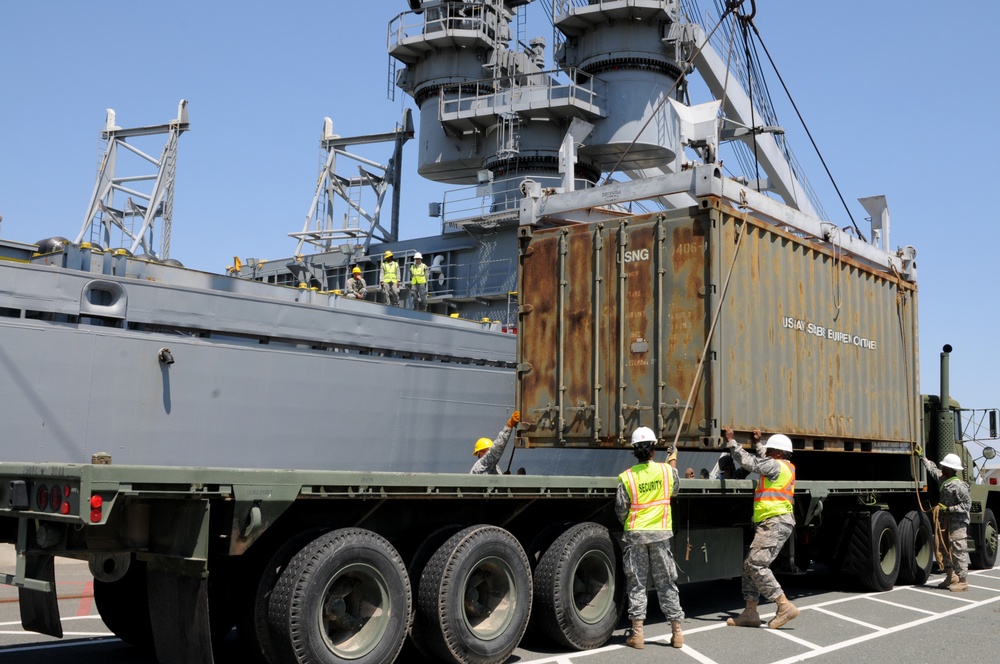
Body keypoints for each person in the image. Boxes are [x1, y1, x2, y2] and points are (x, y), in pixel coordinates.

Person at [723, 426, 799, 629]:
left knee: (756, 564)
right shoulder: (782, 465)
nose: (768, 452)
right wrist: (758, 443)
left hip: (775, 521)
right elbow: (763, 458)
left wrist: (732, 442)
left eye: (771, 450)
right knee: (749, 565)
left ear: (779, 453)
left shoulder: (775, 466)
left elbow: (750, 462)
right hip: (772, 521)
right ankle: (750, 612)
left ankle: (784, 605)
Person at [616, 426, 684, 650]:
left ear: (635, 451)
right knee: (666, 584)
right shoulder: (666, 471)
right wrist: (672, 459)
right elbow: (675, 489)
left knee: (637, 585)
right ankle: (677, 634)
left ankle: (637, 635)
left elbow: (621, 509)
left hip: (635, 535)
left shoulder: (627, 477)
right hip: (661, 534)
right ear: (654, 449)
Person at [923, 452, 971, 592]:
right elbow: (933, 470)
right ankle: (951, 576)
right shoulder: (944, 480)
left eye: (944, 466)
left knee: (957, 550)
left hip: (958, 523)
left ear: (950, 469)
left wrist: (949, 509)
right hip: (945, 521)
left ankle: (963, 581)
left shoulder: (959, 486)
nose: (942, 468)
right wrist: (923, 458)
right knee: (944, 548)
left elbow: (966, 505)